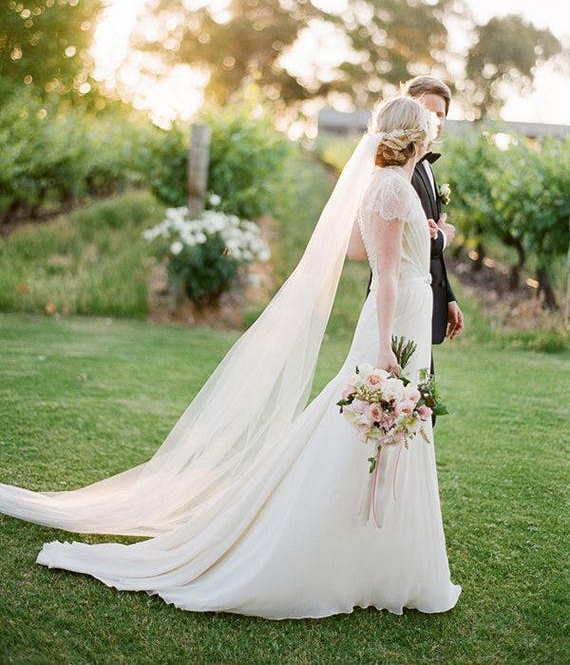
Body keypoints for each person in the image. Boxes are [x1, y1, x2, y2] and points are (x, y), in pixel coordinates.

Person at [0, 96, 461, 618]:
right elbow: (385, 280)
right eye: (430, 129)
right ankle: (336, 552)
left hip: (408, 313)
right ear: (416, 136)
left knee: (377, 429)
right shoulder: (395, 188)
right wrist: (383, 345)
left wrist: (424, 242)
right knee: (361, 424)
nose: (432, 138)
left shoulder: (383, 186)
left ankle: (381, 558)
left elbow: (377, 258)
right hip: (394, 321)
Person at [404, 76, 464, 349]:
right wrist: (443, 236)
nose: (435, 121)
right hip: (404, 302)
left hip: (428, 297)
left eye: (440, 114)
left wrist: (448, 297)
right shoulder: (403, 170)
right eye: (428, 112)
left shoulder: (426, 166)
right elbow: (411, 243)